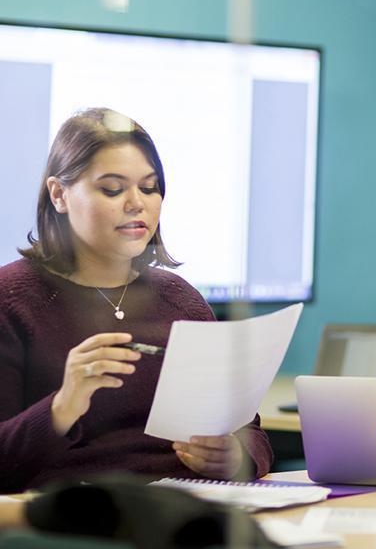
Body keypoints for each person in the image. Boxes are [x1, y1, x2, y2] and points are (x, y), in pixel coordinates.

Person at [0, 108, 273, 494]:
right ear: (59, 194)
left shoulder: (182, 301)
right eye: (113, 189)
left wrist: (237, 455)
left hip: (190, 506)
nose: (137, 203)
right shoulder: (11, 298)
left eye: (149, 187)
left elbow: (250, 429)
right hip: (78, 513)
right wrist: (62, 406)